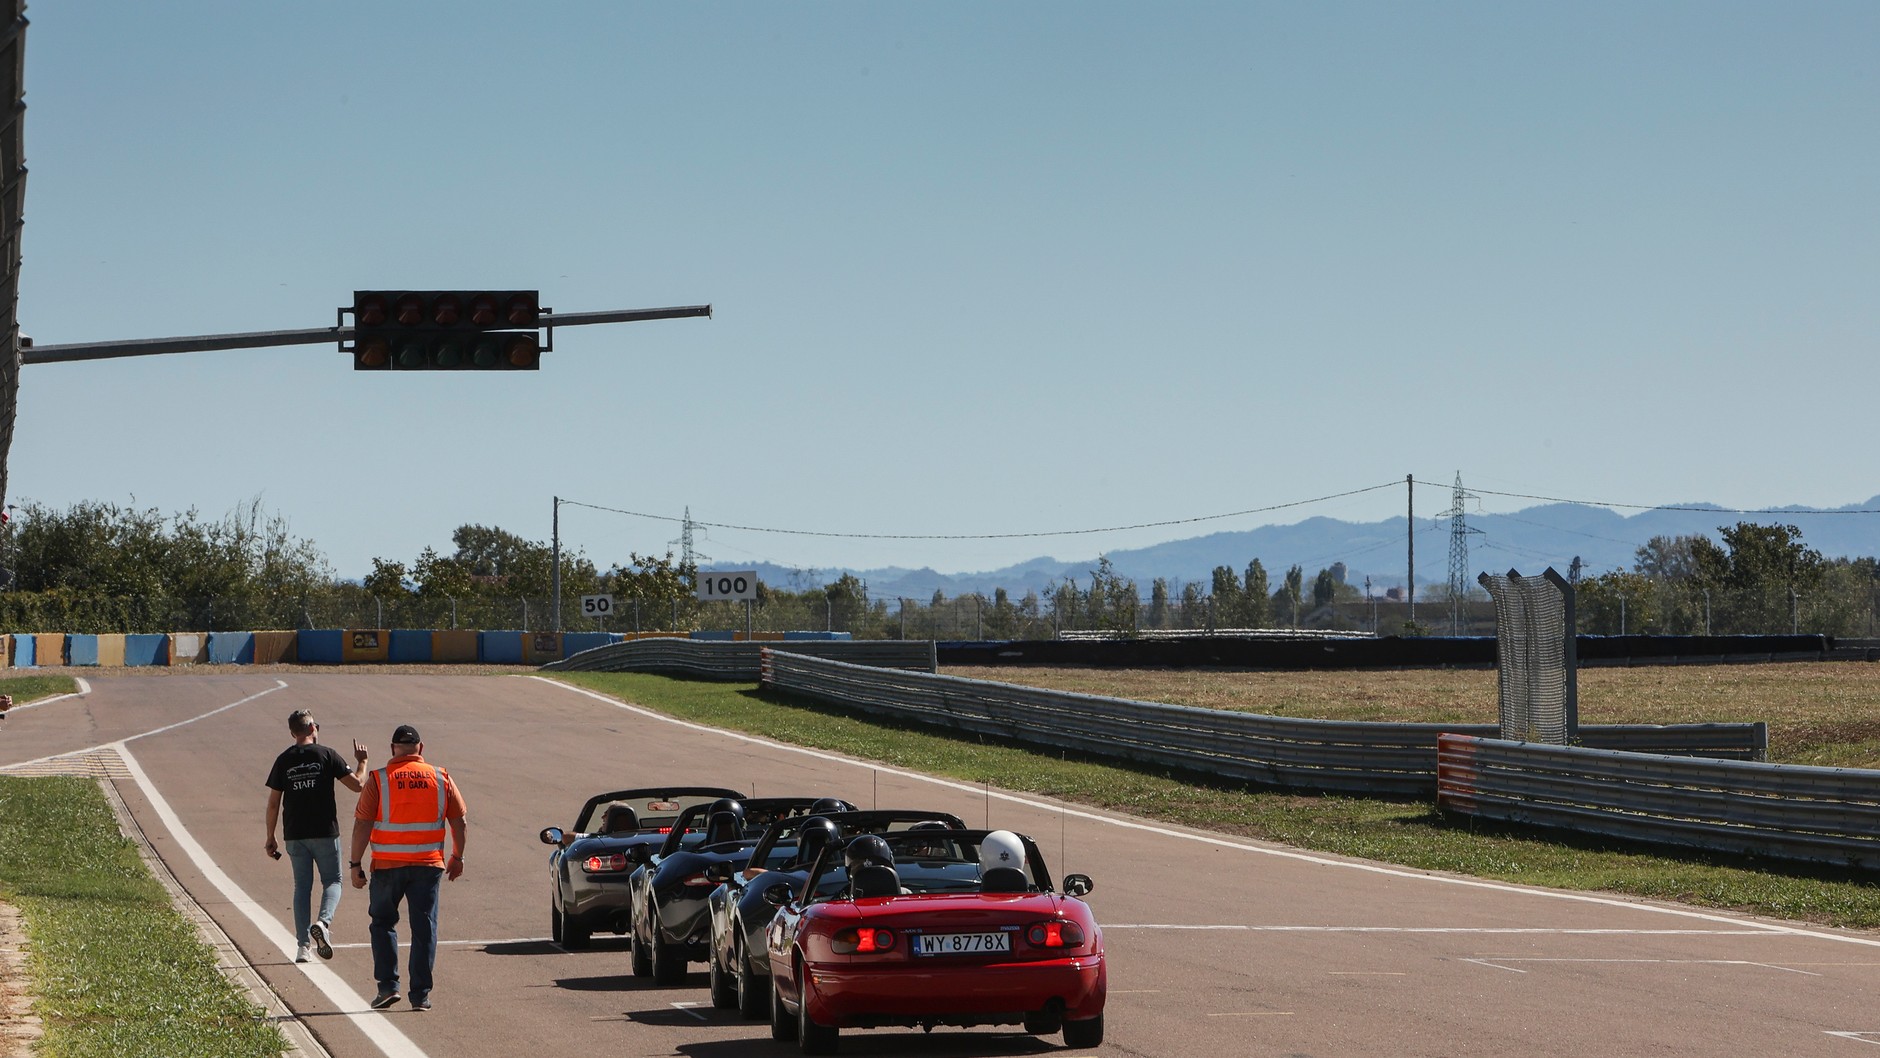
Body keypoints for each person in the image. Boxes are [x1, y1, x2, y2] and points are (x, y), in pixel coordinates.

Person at [348, 724, 467, 1012]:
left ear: (393, 749)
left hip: (388, 865)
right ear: (420, 749)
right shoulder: (441, 777)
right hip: (427, 866)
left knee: (383, 923)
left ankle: (388, 987)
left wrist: (355, 864)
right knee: (424, 928)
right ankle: (420, 996)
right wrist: (457, 856)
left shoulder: (379, 780)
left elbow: (363, 824)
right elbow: (460, 820)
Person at [264, 710, 367, 963]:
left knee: (302, 887)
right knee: (333, 881)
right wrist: (362, 761)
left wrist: (270, 836)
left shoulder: (283, 760)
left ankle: (302, 947)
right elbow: (358, 785)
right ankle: (323, 922)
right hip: (324, 831)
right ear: (312, 729)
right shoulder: (326, 754)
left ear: (292, 733)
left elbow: (274, 803)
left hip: (294, 833)